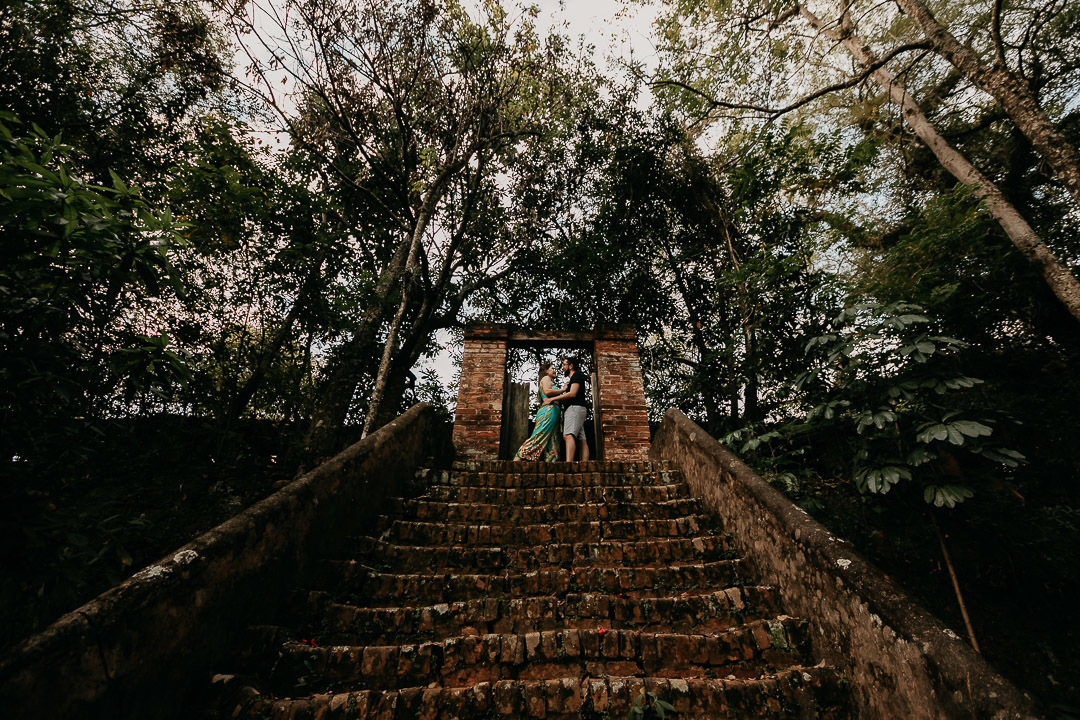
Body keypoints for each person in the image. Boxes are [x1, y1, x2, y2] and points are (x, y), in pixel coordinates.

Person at [513, 361, 564, 462]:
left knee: (553, 440)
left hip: (554, 412)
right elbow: (547, 391)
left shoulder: (550, 381)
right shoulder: (546, 378)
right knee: (539, 435)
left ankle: (550, 464)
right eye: (552, 368)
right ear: (546, 371)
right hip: (549, 411)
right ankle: (518, 458)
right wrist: (563, 390)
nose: (554, 370)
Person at [546, 356, 589, 462]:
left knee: (568, 435)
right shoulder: (573, 379)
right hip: (578, 410)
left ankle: (569, 464)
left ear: (570, 366)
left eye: (564, 365)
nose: (562, 368)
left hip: (575, 409)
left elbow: (572, 394)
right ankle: (585, 464)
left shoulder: (576, 375)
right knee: (581, 439)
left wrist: (552, 399)